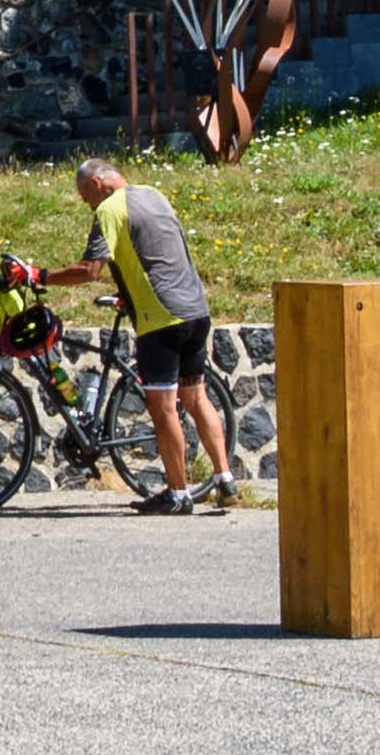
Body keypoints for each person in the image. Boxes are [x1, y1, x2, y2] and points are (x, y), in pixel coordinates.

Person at [14, 156, 235, 510]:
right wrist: (128, 292)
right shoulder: (155, 195)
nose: (88, 204)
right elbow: (164, 253)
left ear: (97, 184)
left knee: (163, 408)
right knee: (196, 398)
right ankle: (225, 479)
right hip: (196, 309)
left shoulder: (109, 210)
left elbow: (90, 270)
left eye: (86, 197)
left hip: (161, 319)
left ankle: (178, 494)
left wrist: (39, 276)